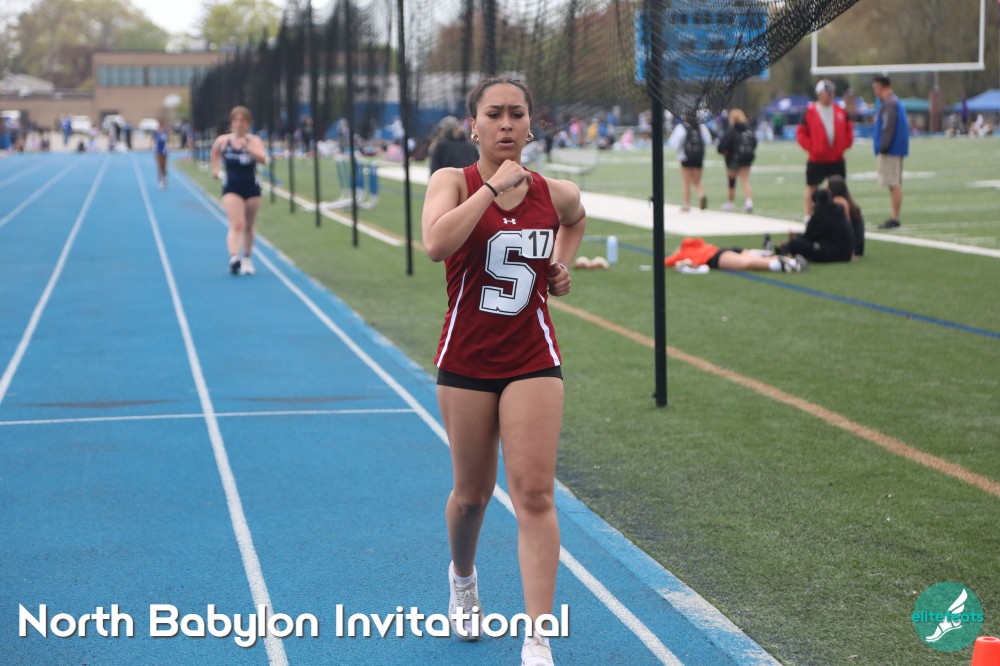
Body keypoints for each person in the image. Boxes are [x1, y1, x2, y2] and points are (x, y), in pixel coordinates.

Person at [421, 77, 586, 666]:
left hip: (532, 357)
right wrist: (492, 188)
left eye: (517, 113)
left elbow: (576, 219)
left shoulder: (554, 192)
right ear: (474, 125)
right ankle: (462, 578)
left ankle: (538, 637)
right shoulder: (453, 181)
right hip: (466, 358)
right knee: (471, 496)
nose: (507, 123)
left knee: (534, 494)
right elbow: (436, 244)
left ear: (531, 123)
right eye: (495, 114)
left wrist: (560, 266)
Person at [210, 106, 267, 275]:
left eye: (243, 120)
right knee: (237, 224)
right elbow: (214, 152)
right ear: (231, 122)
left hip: (251, 187)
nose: (239, 124)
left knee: (248, 226)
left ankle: (247, 259)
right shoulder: (223, 140)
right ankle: (234, 258)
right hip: (232, 187)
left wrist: (248, 148)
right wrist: (215, 168)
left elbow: (263, 159)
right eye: (236, 120)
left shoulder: (253, 140)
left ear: (248, 123)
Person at [797, 79, 854, 220]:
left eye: (832, 92)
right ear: (819, 94)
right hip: (817, 158)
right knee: (812, 186)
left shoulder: (840, 110)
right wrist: (812, 147)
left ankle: (842, 215)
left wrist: (844, 145)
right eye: (827, 92)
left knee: (839, 188)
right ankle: (808, 215)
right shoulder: (810, 111)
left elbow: (849, 130)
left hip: (836, 157)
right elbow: (801, 133)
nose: (830, 95)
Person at [776, 188, 854, 263]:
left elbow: (809, 236)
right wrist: (797, 235)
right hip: (845, 254)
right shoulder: (836, 210)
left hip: (833, 254)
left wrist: (791, 241)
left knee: (794, 243)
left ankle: (784, 252)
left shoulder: (821, 213)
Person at [871, 74, 909, 229]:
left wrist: (884, 147)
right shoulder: (894, 101)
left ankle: (895, 218)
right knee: (894, 183)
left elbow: (888, 126)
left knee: (894, 183)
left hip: (891, 150)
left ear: (880, 86)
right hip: (895, 149)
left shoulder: (890, 103)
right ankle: (895, 217)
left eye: (875, 87)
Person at [665, 236, 806, 273]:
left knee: (748, 263)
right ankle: (787, 259)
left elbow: (666, 261)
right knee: (752, 259)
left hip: (717, 257)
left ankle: (785, 265)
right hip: (723, 251)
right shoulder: (691, 247)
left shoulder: (683, 251)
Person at [667, 113, 712, 211]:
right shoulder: (701, 127)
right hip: (698, 157)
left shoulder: (681, 127)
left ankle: (687, 204)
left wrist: (679, 151)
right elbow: (708, 141)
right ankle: (701, 195)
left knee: (686, 182)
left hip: (685, 157)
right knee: (697, 181)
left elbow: (673, 143)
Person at [717, 108, 756, 213]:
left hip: (732, 160)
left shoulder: (731, 130)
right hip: (746, 159)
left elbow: (723, 146)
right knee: (745, 181)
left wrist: (725, 152)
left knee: (731, 182)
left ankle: (730, 203)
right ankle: (749, 203)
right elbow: (754, 143)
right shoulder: (748, 129)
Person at [826, 175, 864, 258]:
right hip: (857, 246)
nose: (826, 191)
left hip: (851, 247)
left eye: (828, 188)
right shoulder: (852, 205)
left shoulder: (839, 202)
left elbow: (846, 227)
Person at [153, 120, 169, 189]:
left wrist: (170, 146)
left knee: (164, 167)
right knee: (159, 166)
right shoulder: (156, 131)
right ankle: (160, 182)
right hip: (158, 150)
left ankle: (164, 179)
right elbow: (154, 140)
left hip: (164, 150)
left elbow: (168, 140)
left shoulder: (166, 131)